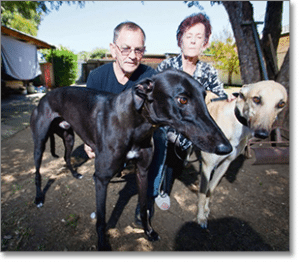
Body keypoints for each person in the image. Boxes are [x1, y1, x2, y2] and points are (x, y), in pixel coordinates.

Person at [151, 13, 236, 209]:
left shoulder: (209, 72)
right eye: (188, 36)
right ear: (180, 40)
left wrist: (228, 98)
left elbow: (218, 95)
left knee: (177, 163)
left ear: (205, 43)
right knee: (162, 156)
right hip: (166, 126)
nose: (193, 41)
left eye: (198, 37)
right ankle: (155, 190)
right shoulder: (167, 67)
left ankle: (167, 184)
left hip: (190, 129)